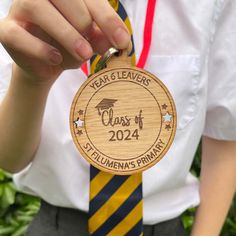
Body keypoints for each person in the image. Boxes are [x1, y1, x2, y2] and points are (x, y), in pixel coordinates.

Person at [0, 0, 236, 235]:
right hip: (57, 227)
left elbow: (224, 134)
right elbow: (9, 159)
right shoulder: (22, 6)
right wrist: (31, 80)